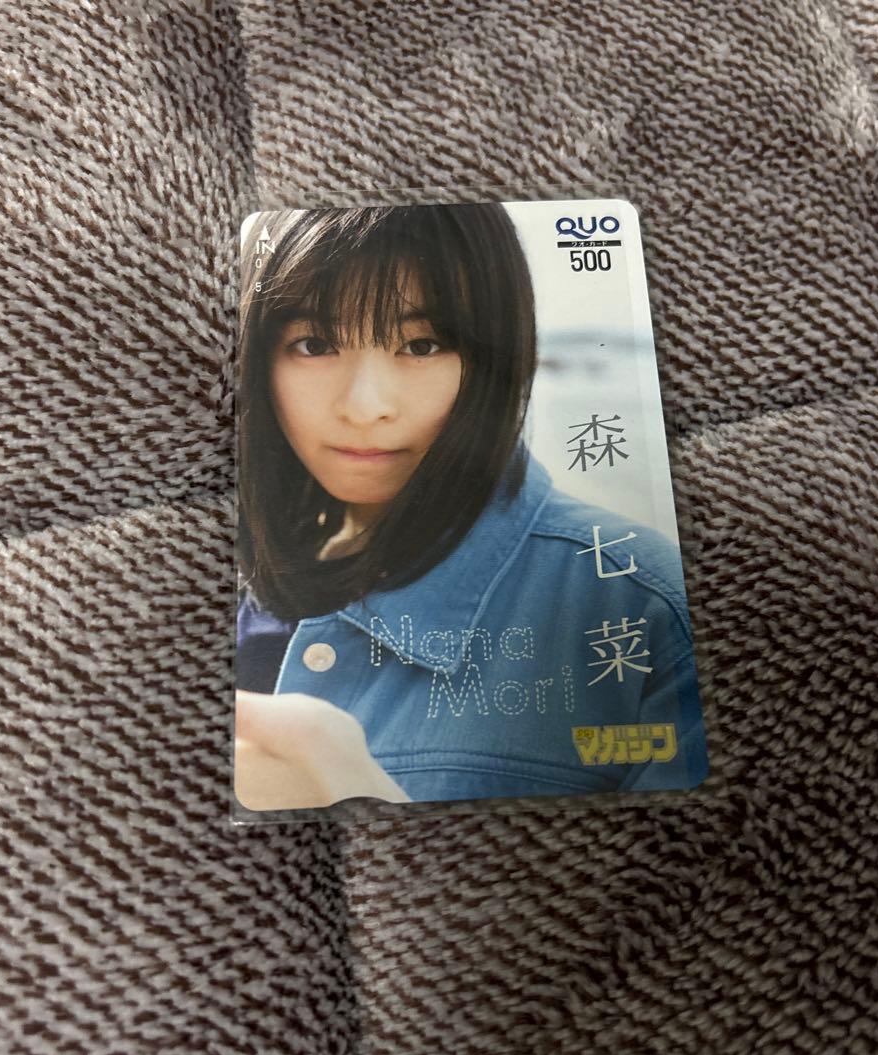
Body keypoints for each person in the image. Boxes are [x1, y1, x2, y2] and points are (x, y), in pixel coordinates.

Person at [234, 204, 708, 811]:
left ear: (493, 364)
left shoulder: (637, 602)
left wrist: (362, 805)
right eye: (315, 343)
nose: (365, 407)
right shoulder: (213, 586)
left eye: (421, 345)